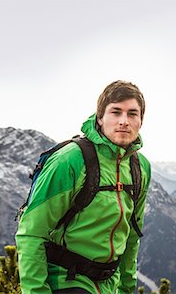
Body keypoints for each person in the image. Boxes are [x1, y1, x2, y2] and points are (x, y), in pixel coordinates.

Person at [16, 80, 151, 294]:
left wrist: (126, 288)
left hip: (109, 285)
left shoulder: (140, 167)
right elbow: (31, 233)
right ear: (100, 117)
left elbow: (132, 235)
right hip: (66, 280)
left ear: (141, 120)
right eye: (116, 112)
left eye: (132, 114)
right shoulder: (70, 160)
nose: (124, 121)